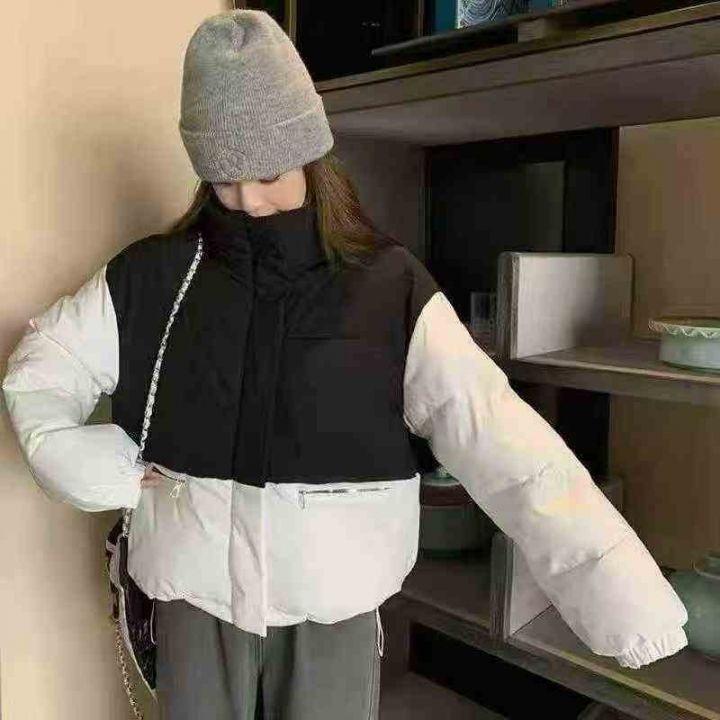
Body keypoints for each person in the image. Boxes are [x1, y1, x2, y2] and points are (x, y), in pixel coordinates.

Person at [2, 8, 688, 720]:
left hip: (334, 608)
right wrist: (88, 463)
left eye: (266, 173)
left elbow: (501, 440)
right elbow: (42, 369)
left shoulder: (386, 287)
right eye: (223, 179)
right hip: (191, 598)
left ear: (308, 150)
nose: (247, 201)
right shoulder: (150, 277)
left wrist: (621, 594)